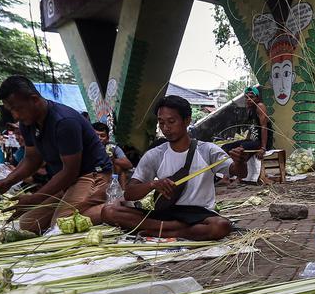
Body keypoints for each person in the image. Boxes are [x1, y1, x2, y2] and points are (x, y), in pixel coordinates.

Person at [97, 95, 246, 239]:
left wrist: (239, 162)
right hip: (166, 212)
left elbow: (239, 172)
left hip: (198, 214)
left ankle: (156, 229)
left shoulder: (207, 150)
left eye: (171, 121)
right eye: (161, 123)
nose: (165, 128)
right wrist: (153, 184)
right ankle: (176, 230)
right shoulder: (155, 154)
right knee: (108, 211)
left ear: (187, 120)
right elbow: (129, 193)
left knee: (220, 226)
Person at [0, 76, 112, 233]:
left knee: (60, 226)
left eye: (17, 108)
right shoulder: (29, 123)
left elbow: (70, 171)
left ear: (34, 99)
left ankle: (114, 207)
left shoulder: (64, 122)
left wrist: (34, 199)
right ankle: (78, 206)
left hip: (91, 175)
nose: (16, 116)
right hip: (66, 181)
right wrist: (7, 182)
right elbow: (32, 159)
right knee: (29, 225)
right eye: (11, 111)